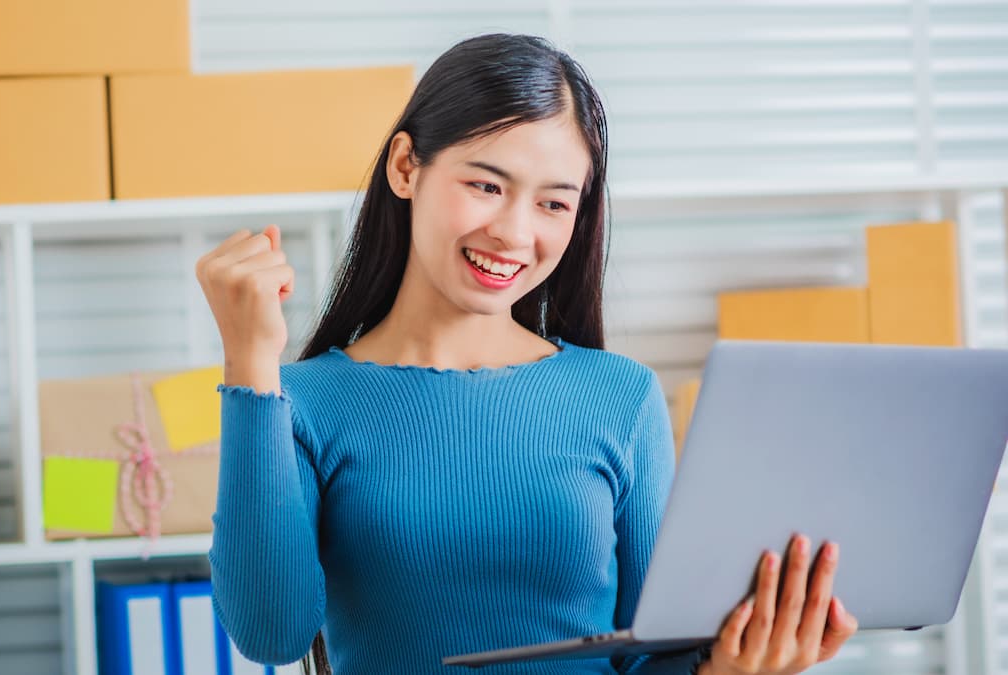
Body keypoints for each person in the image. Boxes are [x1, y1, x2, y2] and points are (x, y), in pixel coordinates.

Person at [195, 33, 859, 675]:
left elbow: (648, 655)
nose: (515, 233)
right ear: (405, 167)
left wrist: (732, 667)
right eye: (486, 186)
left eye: (552, 203)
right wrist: (249, 360)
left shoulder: (620, 395)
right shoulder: (301, 401)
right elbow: (270, 632)